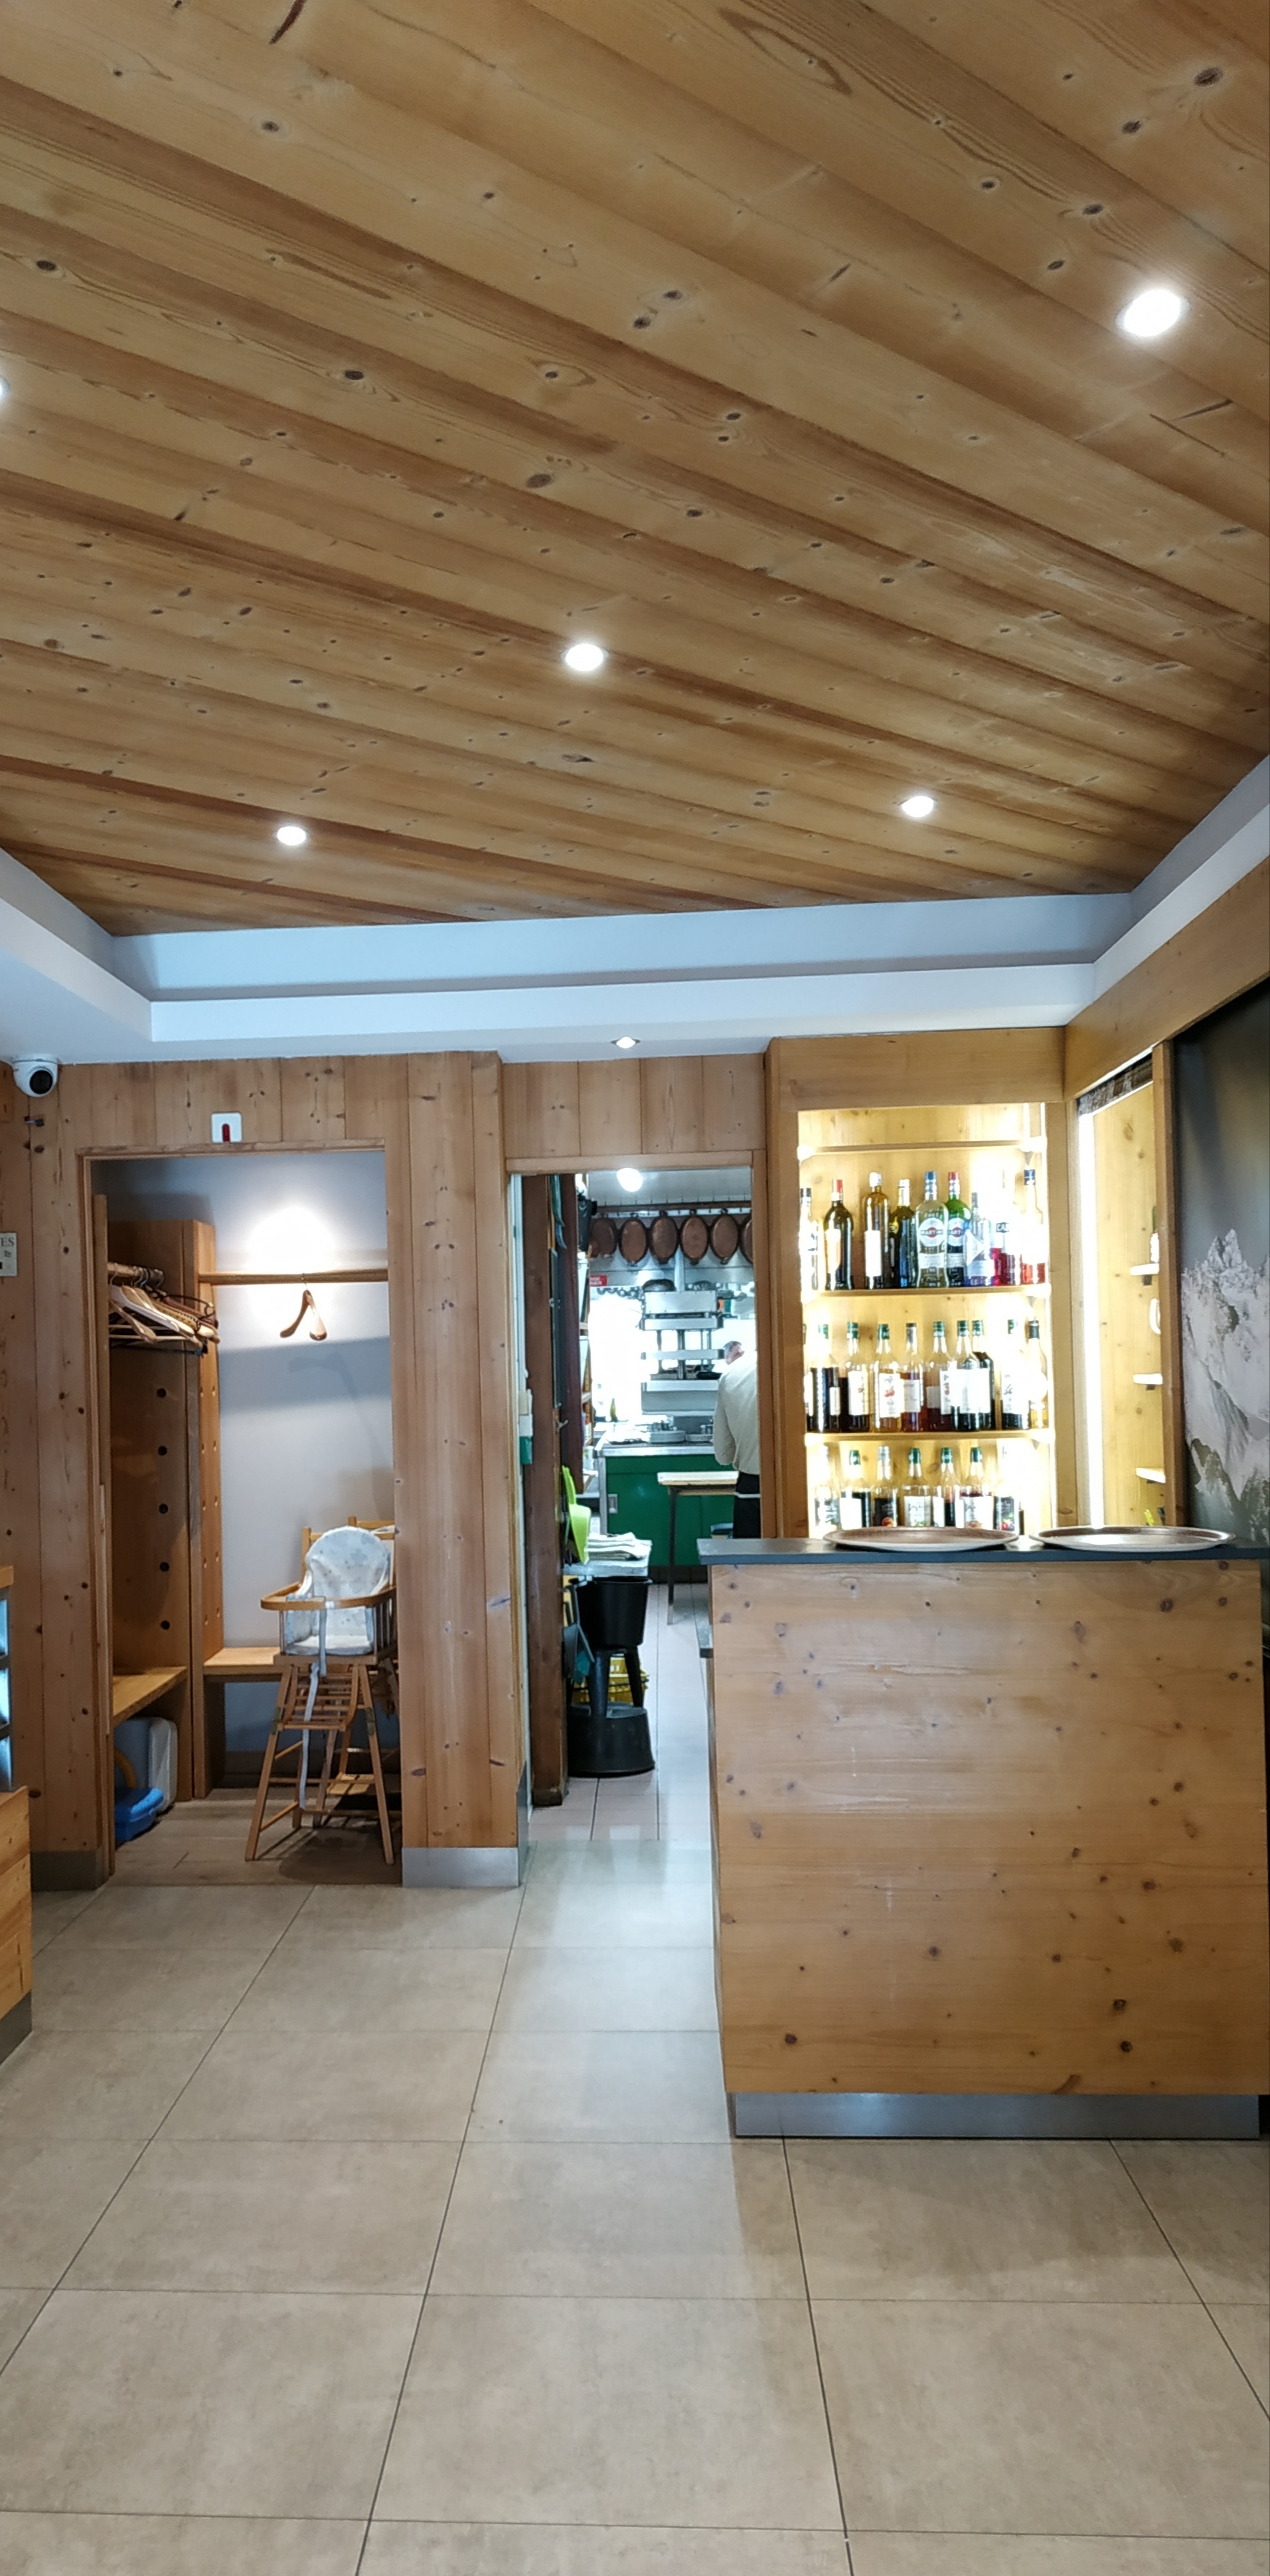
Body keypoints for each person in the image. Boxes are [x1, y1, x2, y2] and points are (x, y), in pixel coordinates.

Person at [712, 1341, 761, 1538]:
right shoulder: (810, 1364)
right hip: (807, 1485)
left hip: (753, 1486)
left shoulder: (733, 1373)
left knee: (752, 1555)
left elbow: (724, 1454)